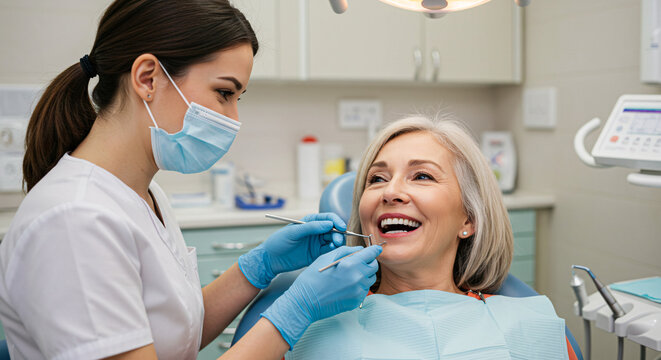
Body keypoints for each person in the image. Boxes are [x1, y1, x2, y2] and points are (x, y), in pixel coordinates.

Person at [0, 1, 382, 359]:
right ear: (147, 78)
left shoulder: (143, 193)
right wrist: (296, 312)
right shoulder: (74, 221)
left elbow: (176, 335)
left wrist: (260, 266)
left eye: (238, 98)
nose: (233, 118)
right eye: (223, 93)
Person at [285, 116, 578, 359]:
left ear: (469, 219)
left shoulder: (532, 327)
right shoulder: (305, 325)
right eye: (377, 179)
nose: (390, 192)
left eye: (422, 176)